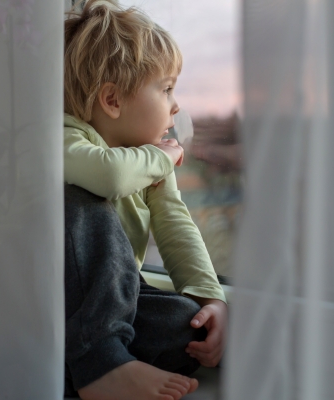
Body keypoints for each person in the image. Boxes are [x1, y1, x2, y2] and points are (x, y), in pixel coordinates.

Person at [62, 1, 228, 399]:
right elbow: (109, 176)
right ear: (113, 100)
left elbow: (175, 225)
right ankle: (99, 362)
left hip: (113, 303)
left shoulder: (149, 158)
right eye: (167, 88)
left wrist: (210, 299)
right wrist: (163, 157)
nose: (176, 106)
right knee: (86, 200)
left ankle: (92, 362)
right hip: (64, 296)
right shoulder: (66, 137)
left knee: (187, 324)